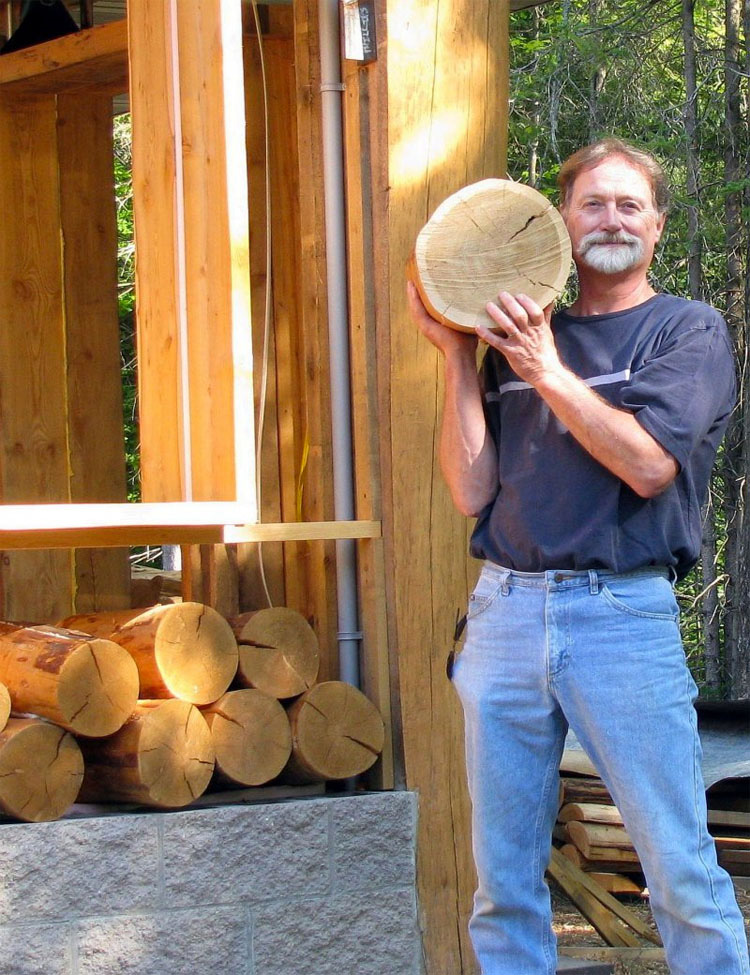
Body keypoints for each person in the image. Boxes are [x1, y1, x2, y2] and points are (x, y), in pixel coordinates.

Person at [408, 138, 750, 975]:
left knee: (677, 867)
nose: (611, 219)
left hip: (621, 616)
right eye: (593, 203)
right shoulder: (520, 338)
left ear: (657, 228)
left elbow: (646, 463)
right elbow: (470, 490)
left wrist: (545, 368)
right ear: (561, 222)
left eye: (630, 205)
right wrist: (459, 358)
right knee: (504, 879)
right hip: (503, 613)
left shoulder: (687, 331)